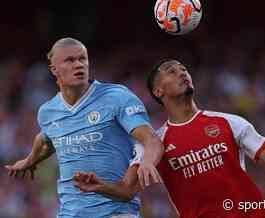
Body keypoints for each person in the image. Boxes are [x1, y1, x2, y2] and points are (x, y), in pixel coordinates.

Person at [73, 59, 265, 218]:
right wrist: (100, 186)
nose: (182, 72)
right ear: (158, 91)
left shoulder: (229, 122)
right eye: (171, 70)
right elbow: (127, 189)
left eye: (183, 69)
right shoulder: (154, 144)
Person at [4, 37, 164, 218]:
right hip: (70, 214)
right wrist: (29, 161)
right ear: (54, 69)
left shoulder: (116, 97)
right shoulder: (47, 112)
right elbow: (46, 140)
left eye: (82, 59)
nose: (78, 65)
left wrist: (148, 162)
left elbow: (151, 139)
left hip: (116, 213)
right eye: (70, 60)